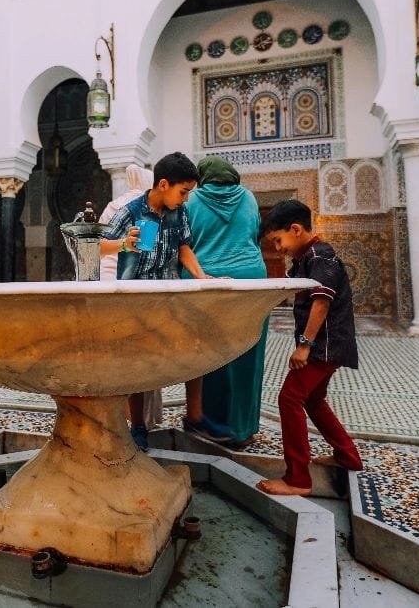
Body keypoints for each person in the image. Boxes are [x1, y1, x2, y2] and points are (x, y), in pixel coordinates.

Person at [100, 152, 230, 450]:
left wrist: (201, 277)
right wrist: (123, 243)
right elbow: (98, 247)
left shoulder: (179, 212)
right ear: (163, 184)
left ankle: (195, 415)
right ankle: (139, 427)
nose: (186, 199)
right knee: (137, 363)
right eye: (183, 192)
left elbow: (184, 247)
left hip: (168, 293)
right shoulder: (130, 211)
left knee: (194, 346)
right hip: (136, 298)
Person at [256, 199, 363, 496]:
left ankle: (298, 479)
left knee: (289, 399)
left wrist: (304, 345)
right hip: (327, 345)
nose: (277, 248)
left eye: (278, 240)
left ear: (296, 229)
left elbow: (321, 302)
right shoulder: (306, 258)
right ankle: (348, 456)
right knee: (313, 400)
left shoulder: (320, 255)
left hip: (324, 346)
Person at [181, 156, 268, 448]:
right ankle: (244, 428)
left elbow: (185, 245)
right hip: (252, 281)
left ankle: (211, 422)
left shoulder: (192, 202)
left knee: (209, 353)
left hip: (207, 280)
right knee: (248, 356)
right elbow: (254, 234)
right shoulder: (250, 198)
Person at [98, 165, 165, 432]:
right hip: (141, 287)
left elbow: (100, 247)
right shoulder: (151, 208)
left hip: (109, 287)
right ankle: (141, 422)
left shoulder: (114, 206)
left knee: (116, 355)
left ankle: (117, 418)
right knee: (141, 356)